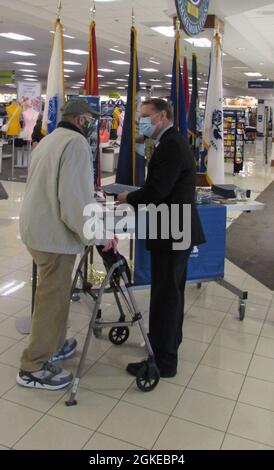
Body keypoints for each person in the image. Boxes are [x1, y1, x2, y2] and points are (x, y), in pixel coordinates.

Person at [17, 99, 116, 391]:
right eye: (91, 119)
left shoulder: (49, 140)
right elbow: (74, 204)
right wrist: (98, 236)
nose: (94, 124)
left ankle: (54, 345)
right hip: (54, 237)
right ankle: (32, 366)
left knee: (54, 295)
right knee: (52, 300)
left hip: (37, 229)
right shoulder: (75, 144)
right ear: (81, 119)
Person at [118, 98, 205, 378]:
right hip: (171, 229)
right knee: (170, 294)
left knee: (166, 297)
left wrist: (128, 197)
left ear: (163, 116)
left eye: (146, 116)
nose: (142, 121)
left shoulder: (171, 146)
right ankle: (165, 347)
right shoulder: (171, 143)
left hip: (172, 231)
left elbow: (158, 189)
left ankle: (164, 362)